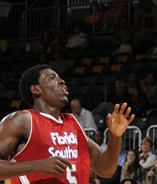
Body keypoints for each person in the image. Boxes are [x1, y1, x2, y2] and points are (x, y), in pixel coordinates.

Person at [0, 64, 134, 181]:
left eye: (59, 77)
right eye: (52, 78)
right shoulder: (22, 120)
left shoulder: (73, 124)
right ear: (36, 89)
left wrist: (115, 137)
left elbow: (106, 169)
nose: (61, 81)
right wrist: (37, 166)